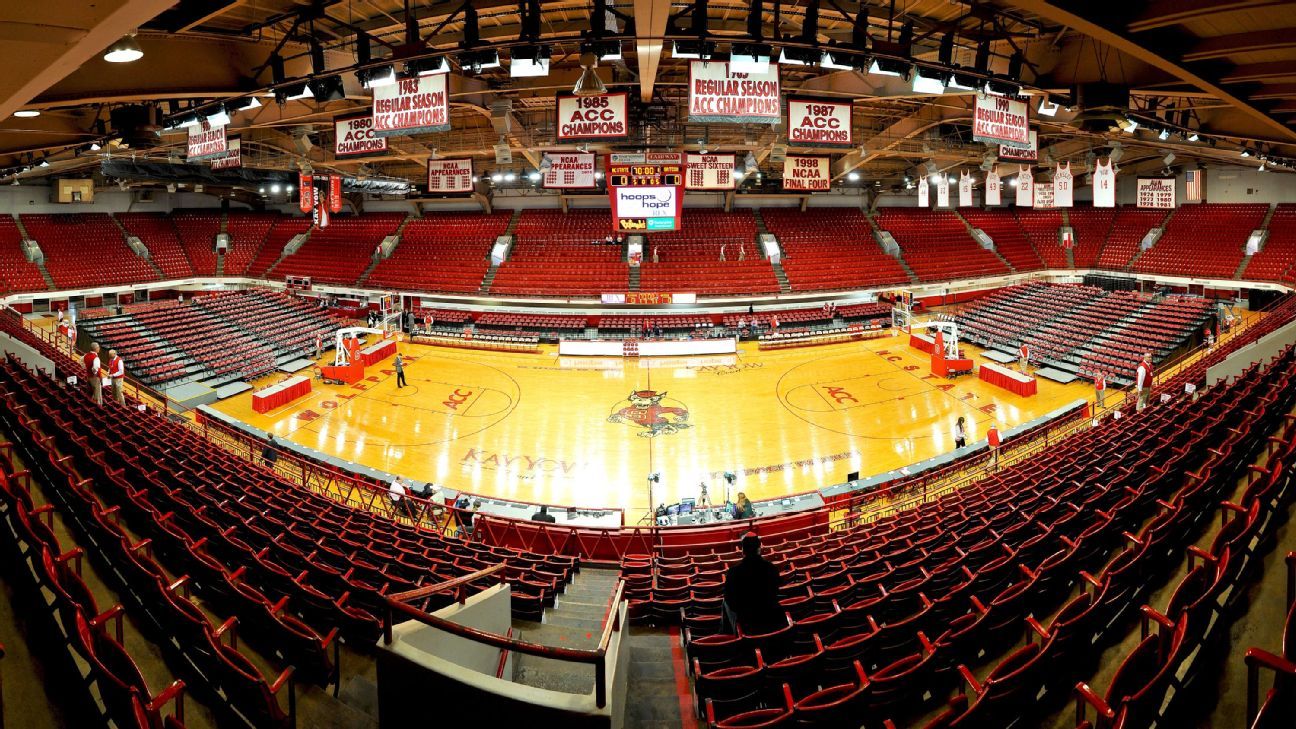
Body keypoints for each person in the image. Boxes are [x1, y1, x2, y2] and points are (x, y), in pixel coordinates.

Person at [722, 533, 784, 634]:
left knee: (724, 602)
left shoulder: (734, 572)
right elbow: (776, 592)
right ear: (759, 549)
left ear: (743, 551)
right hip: (770, 616)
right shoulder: (772, 568)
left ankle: (727, 635)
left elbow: (731, 602)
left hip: (746, 622)